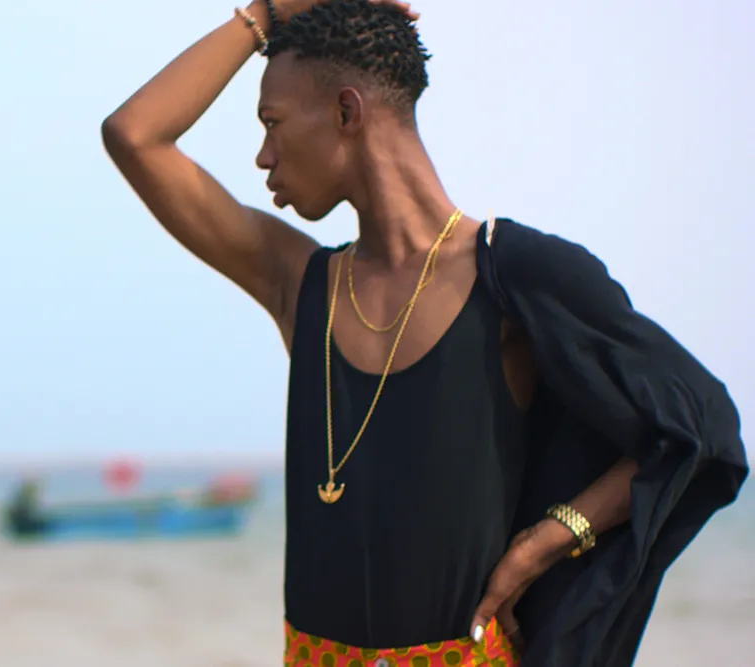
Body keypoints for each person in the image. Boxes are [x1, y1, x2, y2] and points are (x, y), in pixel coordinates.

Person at [101, 1, 748, 665]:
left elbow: (700, 427)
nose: (262, 155)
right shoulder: (302, 284)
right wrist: (264, 14)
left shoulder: (513, 275)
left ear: (348, 113)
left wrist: (551, 537)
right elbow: (135, 135)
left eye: (272, 123)